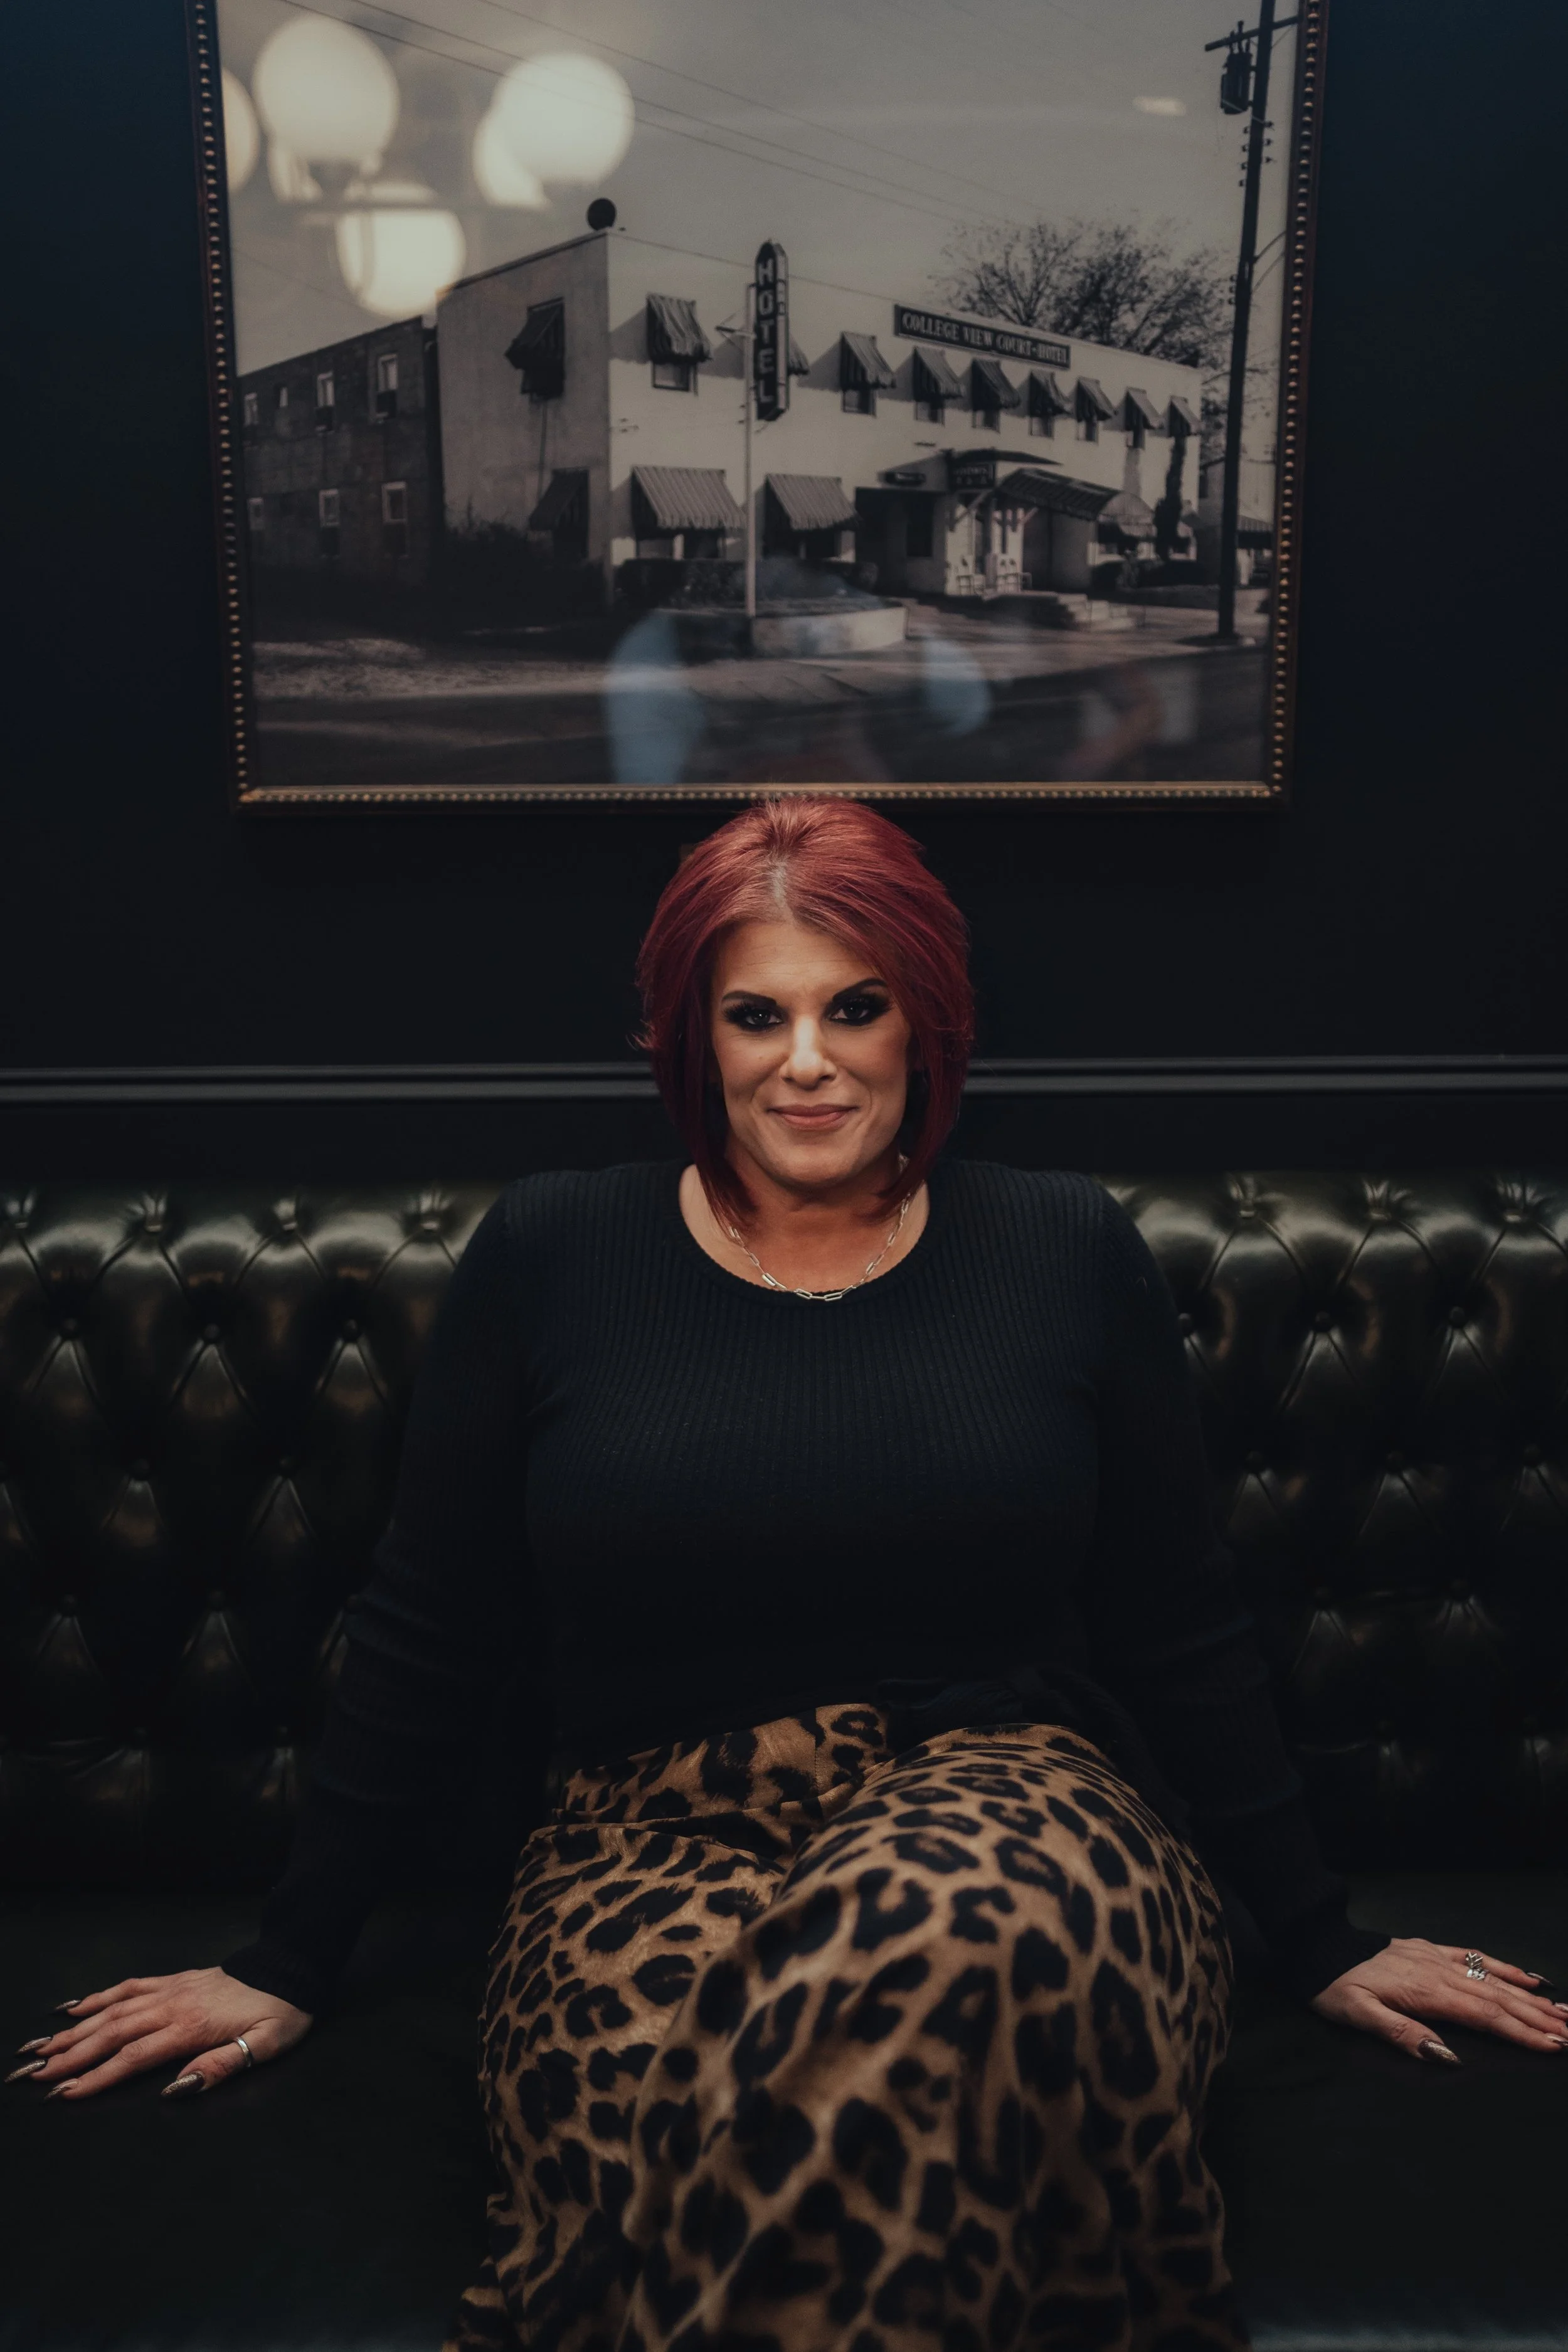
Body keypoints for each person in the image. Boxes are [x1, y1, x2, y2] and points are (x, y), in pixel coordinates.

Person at [14, 800, 1568, 2352]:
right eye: (755, 1015)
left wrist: (1316, 1935)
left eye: (855, 1007)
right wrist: (287, 1962)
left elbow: (1180, 1624)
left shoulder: (1060, 1247)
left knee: (947, 1944)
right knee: (665, 2126)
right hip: (640, 1839)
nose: (807, 1061)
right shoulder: (553, 1254)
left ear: (927, 1020)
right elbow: (430, 1626)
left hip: (1014, 1807)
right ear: (690, 1036)